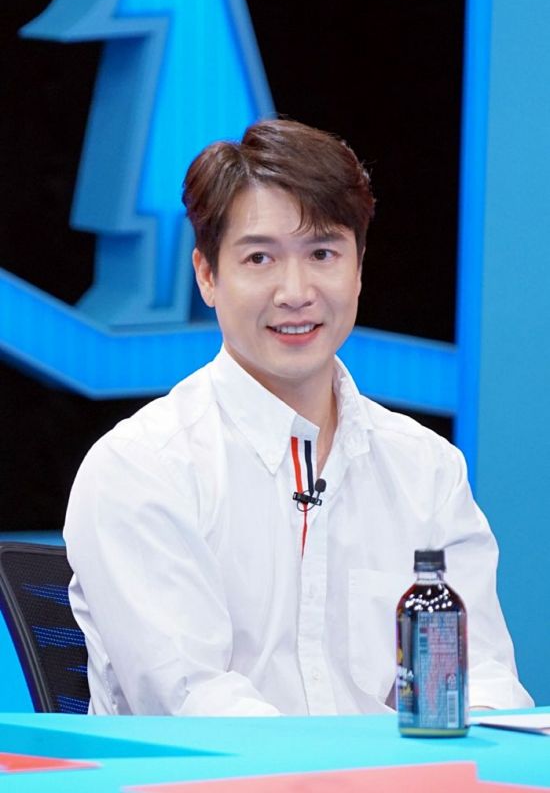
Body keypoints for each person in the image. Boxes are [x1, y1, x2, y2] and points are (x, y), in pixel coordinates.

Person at [64, 119, 532, 716]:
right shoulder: (141, 467)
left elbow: (477, 684)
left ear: (358, 268)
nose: (295, 292)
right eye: (259, 257)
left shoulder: (426, 470)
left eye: (322, 253)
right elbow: (195, 705)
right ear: (207, 275)